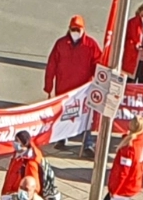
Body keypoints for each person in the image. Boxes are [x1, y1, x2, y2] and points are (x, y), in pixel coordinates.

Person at [43, 17, 105, 152]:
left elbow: (98, 63)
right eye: (73, 29)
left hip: (83, 90)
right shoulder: (61, 44)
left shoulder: (90, 45)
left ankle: (87, 143)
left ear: (83, 29)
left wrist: (98, 81)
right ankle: (62, 138)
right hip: (64, 90)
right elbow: (51, 65)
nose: (75, 32)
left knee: (86, 116)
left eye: (78, 29)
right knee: (63, 114)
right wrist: (48, 87)